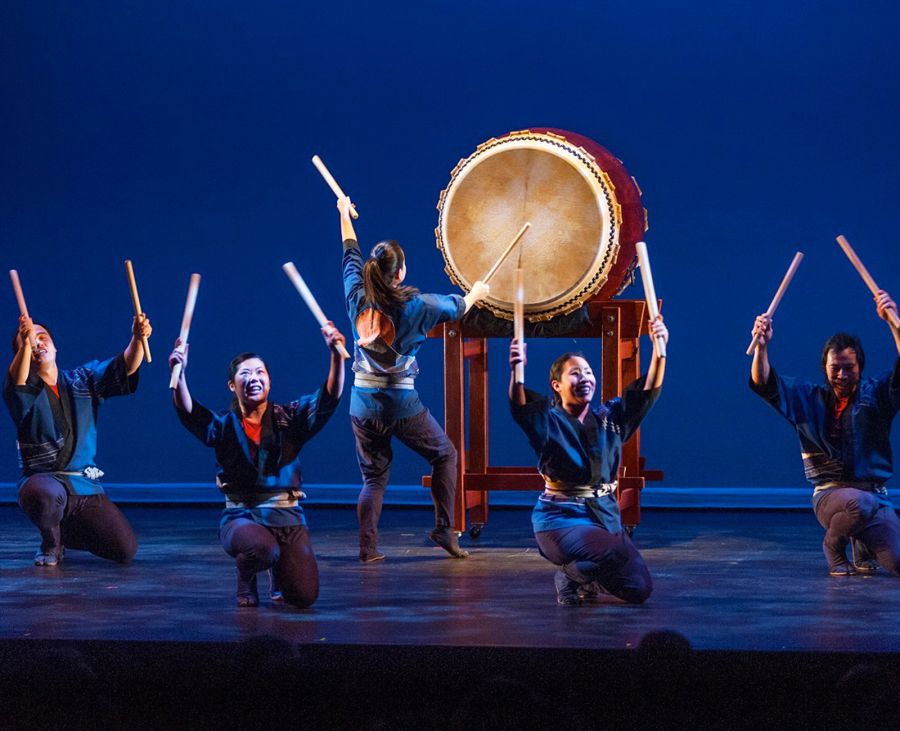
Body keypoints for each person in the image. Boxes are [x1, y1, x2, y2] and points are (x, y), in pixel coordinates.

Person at [337, 195, 489, 562]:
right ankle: (443, 528)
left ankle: (368, 550)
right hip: (400, 406)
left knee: (374, 480)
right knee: (445, 455)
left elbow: (350, 254)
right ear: (401, 272)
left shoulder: (356, 297)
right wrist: (477, 294)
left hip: (360, 404)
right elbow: (458, 306)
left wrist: (344, 213)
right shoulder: (418, 306)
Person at [169, 324, 345, 607]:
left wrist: (336, 356)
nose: (253, 378)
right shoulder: (224, 425)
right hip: (242, 517)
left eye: (260, 372)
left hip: (287, 516)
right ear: (232, 385)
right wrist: (179, 373)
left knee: (303, 597)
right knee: (262, 550)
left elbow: (328, 398)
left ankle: (280, 570)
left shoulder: (288, 417)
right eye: (245, 373)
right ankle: (246, 575)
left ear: (269, 381)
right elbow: (190, 411)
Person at [508, 315, 668, 606]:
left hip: (602, 514)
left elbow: (646, 391)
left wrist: (660, 350)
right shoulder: (549, 422)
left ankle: (582, 578)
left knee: (638, 589)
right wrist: (516, 371)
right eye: (575, 373)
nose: (585, 379)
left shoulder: (610, 418)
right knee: (614, 550)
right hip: (559, 521)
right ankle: (570, 571)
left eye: (588, 372)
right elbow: (521, 407)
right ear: (556, 385)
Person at [749, 289, 900, 576]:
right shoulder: (809, 398)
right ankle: (833, 545)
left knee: (897, 559)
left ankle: (863, 543)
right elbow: (765, 382)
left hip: (876, 498)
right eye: (835, 368)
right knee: (859, 503)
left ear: (859, 367)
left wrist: (893, 322)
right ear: (825, 368)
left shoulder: (876, 396)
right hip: (832, 498)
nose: (842, 375)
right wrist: (762, 346)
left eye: (849, 368)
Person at [4, 313, 151, 565]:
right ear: (22, 355)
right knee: (44, 494)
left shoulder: (82, 380)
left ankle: (64, 533)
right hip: (44, 483)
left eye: (42, 338)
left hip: (83, 485)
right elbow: (17, 378)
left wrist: (137, 338)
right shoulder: (21, 391)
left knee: (125, 550)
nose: (37, 343)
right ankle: (51, 542)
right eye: (28, 342)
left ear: (55, 346)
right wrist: (25, 344)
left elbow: (124, 366)